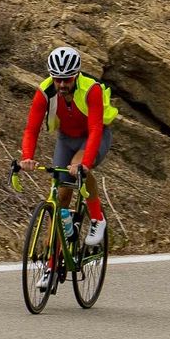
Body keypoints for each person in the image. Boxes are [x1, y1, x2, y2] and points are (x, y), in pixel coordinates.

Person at [18, 44, 118, 250]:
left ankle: (97, 218)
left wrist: (85, 163)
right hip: (66, 138)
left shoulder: (92, 90)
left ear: (76, 75)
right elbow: (31, 129)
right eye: (57, 79)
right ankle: (53, 257)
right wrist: (27, 156)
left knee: (77, 166)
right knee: (61, 194)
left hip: (94, 136)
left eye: (67, 79)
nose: (62, 84)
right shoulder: (44, 91)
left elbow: (96, 129)